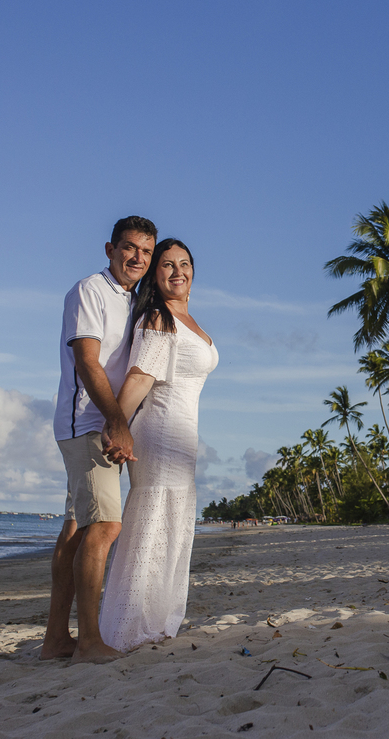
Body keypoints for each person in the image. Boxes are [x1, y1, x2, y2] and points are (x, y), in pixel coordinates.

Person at [40, 216, 157, 663]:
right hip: (88, 424)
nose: (137, 258)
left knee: (75, 529)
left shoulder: (132, 300)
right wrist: (116, 422)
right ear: (110, 249)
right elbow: (87, 362)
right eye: (129, 248)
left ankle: (55, 641)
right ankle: (88, 641)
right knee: (105, 526)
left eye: (145, 252)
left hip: (101, 424)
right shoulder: (90, 290)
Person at [99, 238, 218, 651]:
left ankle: (160, 621)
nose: (177, 272)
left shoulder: (187, 319)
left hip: (184, 437)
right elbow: (138, 378)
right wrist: (115, 426)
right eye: (166, 265)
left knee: (174, 521)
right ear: (155, 275)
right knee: (152, 521)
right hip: (159, 432)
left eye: (184, 264)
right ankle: (129, 629)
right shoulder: (157, 318)